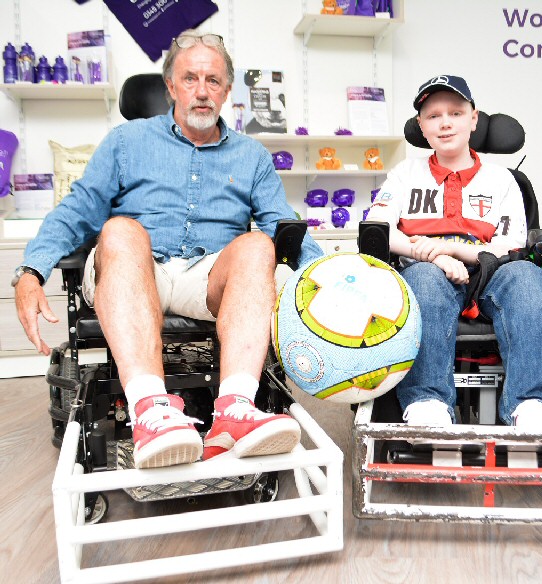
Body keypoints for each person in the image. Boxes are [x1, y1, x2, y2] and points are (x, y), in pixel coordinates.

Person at [13, 31, 323, 469]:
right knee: (119, 230)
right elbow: (78, 209)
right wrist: (30, 270)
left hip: (208, 277)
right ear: (171, 88)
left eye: (213, 81)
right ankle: (151, 412)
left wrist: (335, 276)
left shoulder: (252, 156)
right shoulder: (126, 142)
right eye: (190, 79)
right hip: (136, 271)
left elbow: (285, 225)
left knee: (258, 244)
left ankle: (234, 410)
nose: (201, 91)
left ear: (227, 91)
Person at [367, 75, 542, 432]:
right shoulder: (405, 173)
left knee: (529, 275)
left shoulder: (502, 179)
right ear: (421, 128)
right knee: (424, 280)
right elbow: (376, 229)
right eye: (433, 116)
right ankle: (427, 401)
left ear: (474, 119)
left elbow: (510, 244)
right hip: (426, 272)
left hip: (491, 274)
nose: (445, 122)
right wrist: (434, 257)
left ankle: (533, 404)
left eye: (456, 113)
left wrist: (451, 248)